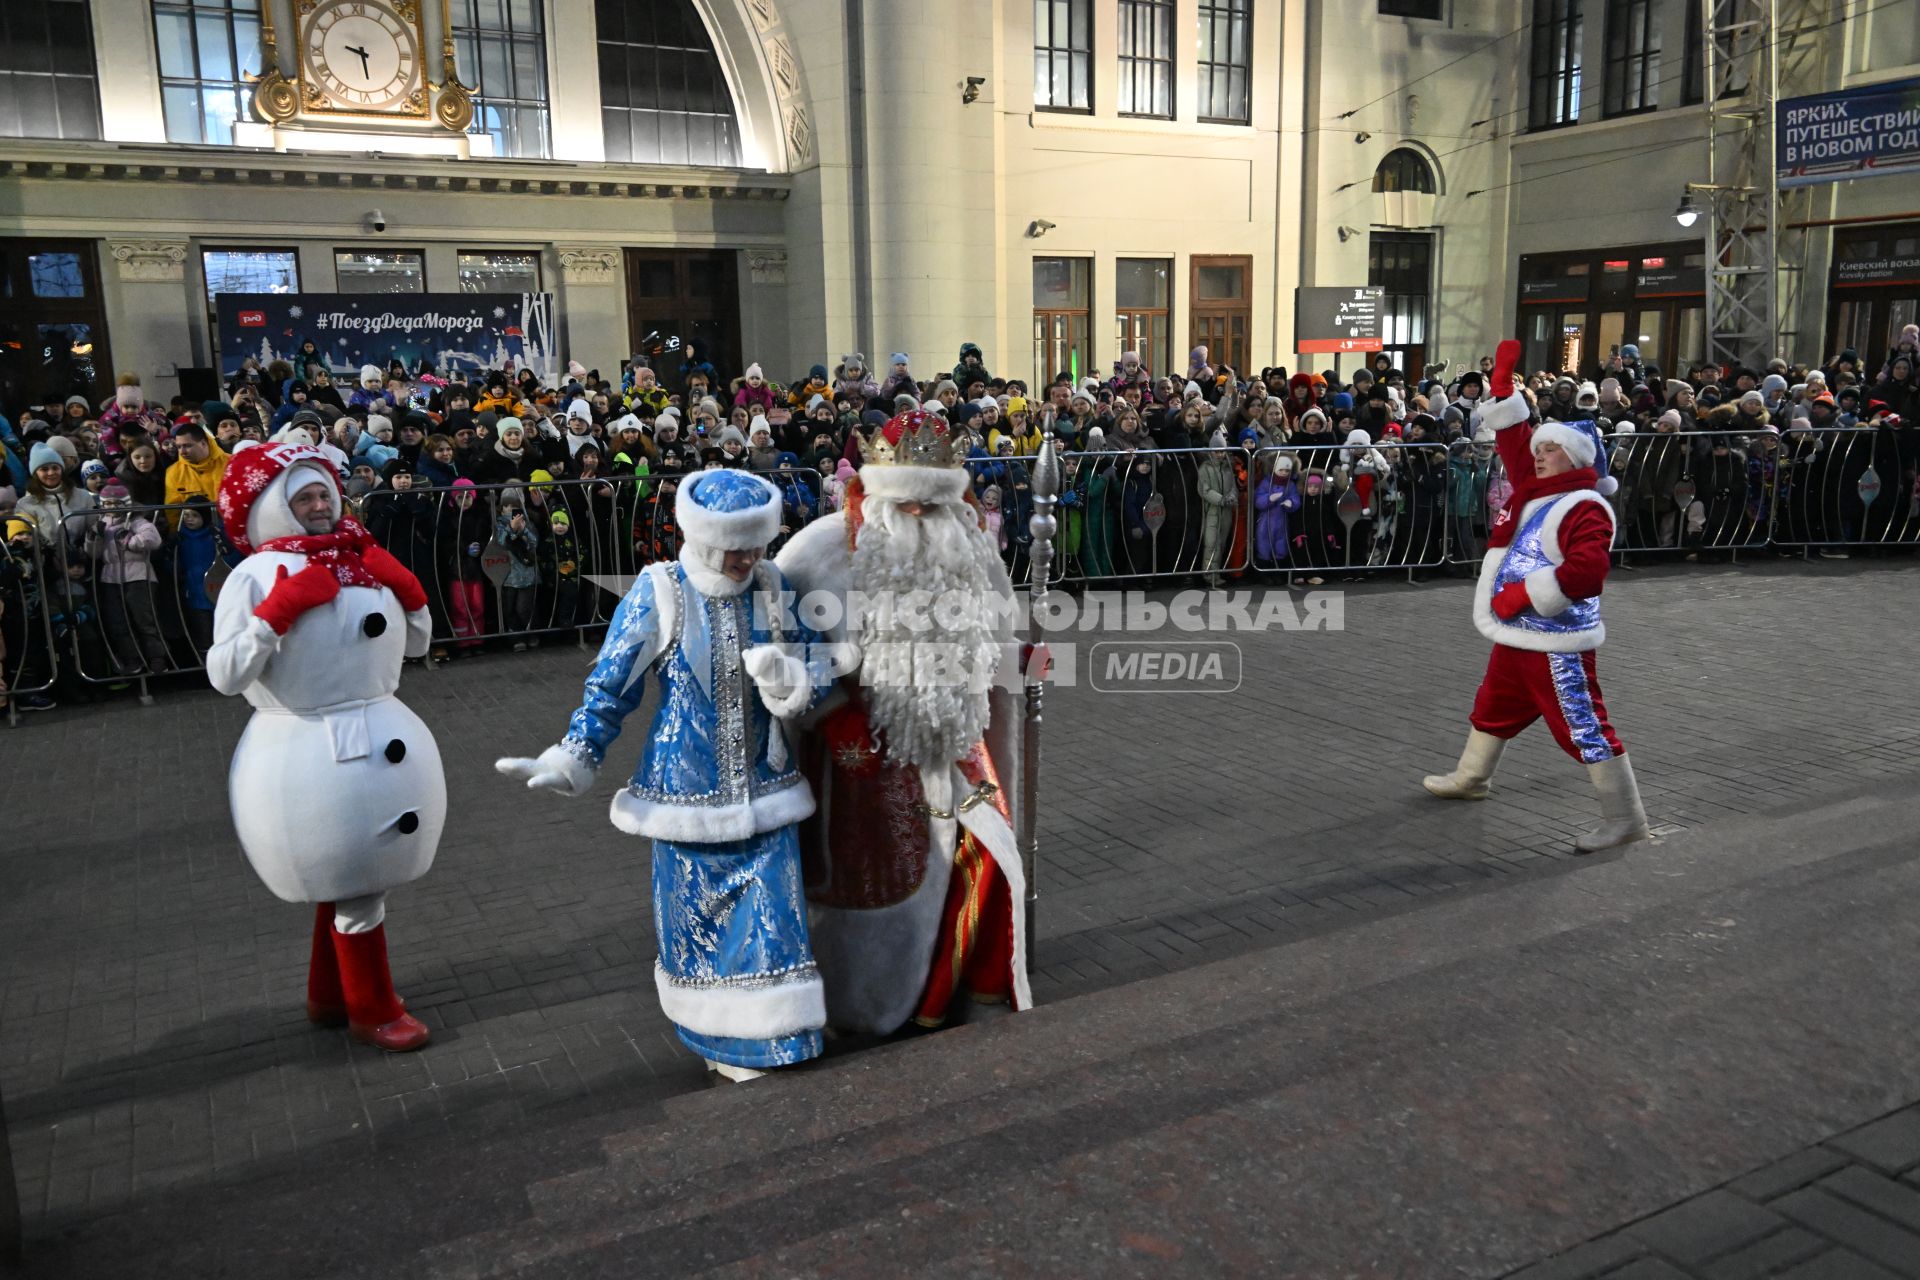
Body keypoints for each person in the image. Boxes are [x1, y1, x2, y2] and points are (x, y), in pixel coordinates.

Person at [497, 470, 833, 1082]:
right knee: (699, 929)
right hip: (685, 790)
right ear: (703, 539)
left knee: (774, 925)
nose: (747, 558)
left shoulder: (773, 586)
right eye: (736, 547)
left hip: (767, 787)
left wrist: (796, 682)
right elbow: (611, 685)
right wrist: (574, 754)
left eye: (756, 545)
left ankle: (774, 1038)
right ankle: (720, 1040)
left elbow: (817, 658)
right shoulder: (660, 592)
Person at [776, 408, 1032, 1035]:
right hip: (859, 748)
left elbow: (998, 645)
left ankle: (952, 990)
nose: (920, 517)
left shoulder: (972, 549)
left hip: (955, 739)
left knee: (988, 858)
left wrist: (1016, 664)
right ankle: (861, 1007)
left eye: (931, 505)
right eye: (907, 505)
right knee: (875, 894)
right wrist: (830, 713)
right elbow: (779, 647)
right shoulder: (818, 551)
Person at [207, 442, 445, 1051]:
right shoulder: (255, 574)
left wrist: (410, 593)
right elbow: (226, 674)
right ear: (274, 508)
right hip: (308, 751)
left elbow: (417, 647)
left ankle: (328, 994)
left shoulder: (362, 559)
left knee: (351, 877)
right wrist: (274, 614)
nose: (317, 506)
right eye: (302, 498)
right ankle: (372, 1008)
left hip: (379, 730)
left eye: (323, 494)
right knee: (358, 880)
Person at [1422, 340, 1649, 853]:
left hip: (1555, 639)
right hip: (1520, 633)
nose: (1538, 455)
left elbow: (1587, 572)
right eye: (1540, 448)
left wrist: (1523, 594)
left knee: (1582, 724)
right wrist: (1502, 388)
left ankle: (1626, 818)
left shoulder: (1584, 505)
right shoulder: (1539, 488)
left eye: (1550, 450)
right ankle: (1471, 777)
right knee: (1495, 703)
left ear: (1575, 457)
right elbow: (1513, 438)